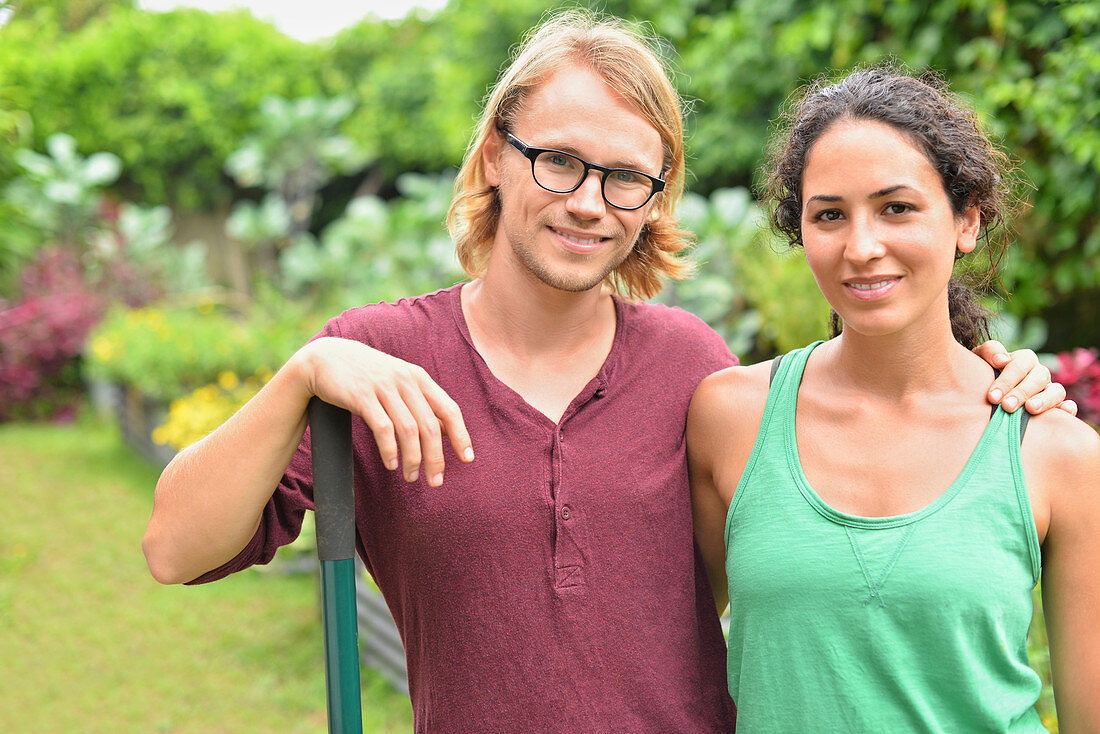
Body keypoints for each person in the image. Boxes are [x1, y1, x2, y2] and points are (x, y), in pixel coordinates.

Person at [143, 14, 1068, 732]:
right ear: (495, 157)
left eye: (627, 177)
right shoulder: (379, 362)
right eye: (558, 162)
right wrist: (304, 371)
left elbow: (849, 457)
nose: (589, 203)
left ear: (654, 199)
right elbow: (175, 548)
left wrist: (995, 381)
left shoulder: (693, 371)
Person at [688, 65, 1100, 732]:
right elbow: (668, 660)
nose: (862, 246)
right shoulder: (730, 419)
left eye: (897, 208)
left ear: (966, 220)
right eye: (829, 215)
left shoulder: (1056, 452)